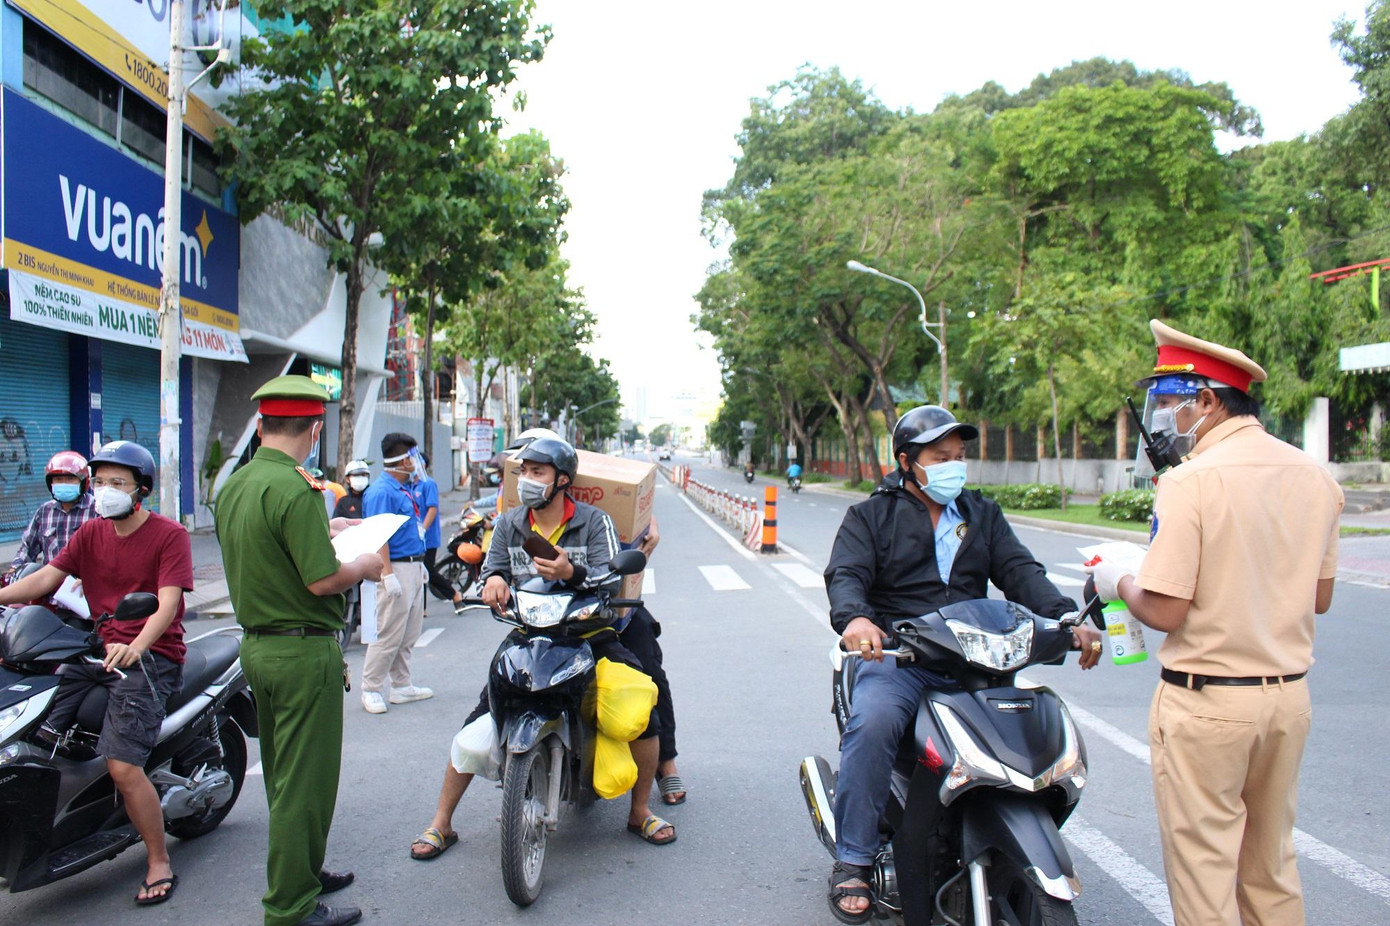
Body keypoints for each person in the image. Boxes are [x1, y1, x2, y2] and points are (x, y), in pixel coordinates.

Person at [1083, 321, 1343, 926]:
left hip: (1208, 706)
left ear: (1207, 401)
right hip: (1287, 701)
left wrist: (1117, 578)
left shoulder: (1191, 481)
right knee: (1271, 867)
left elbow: (1166, 609)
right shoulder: (1314, 476)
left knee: (1205, 874)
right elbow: (1319, 597)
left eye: (1172, 402)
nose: (1166, 416)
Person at [822, 405, 1103, 924]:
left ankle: (1005, 828)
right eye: (940, 457)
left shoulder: (982, 514)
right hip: (901, 658)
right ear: (907, 461)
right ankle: (855, 858)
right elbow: (846, 575)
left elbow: (1022, 573)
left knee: (1029, 726)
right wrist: (857, 620)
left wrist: (1067, 619)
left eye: (959, 456)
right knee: (875, 722)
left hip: (977, 657)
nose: (954, 465)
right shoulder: (870, 516)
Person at [409, 436, 675, 861]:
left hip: (590, 637)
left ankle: (639, 811)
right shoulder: (510, 523)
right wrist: (492, 580)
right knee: (480, 717)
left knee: (645, 711)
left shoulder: (593, 522)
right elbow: (492, 570)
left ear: (563, 479)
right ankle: (441, 821)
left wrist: (572, 571)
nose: (528, 480)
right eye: (524, 473)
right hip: (528, 636)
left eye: (538, 472)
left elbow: (611, 578)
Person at [216, 375, 386, 926]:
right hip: (300, 651)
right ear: (315, 430)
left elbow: (272, 548)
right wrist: (365, 564)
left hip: (258, 649)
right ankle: (290, 908)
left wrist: (328, 527)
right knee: (304, 783)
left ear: (262, 425)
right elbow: (321, 580)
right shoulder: (297, 488)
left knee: (285, 775)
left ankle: (303, 873)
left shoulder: (237, 485)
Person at [0, 440, 194, 906]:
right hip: (95, 648)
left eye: (117, 483)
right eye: (101, 481)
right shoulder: (90, 533)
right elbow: (46, 579)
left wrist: (137, 646)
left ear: (141, 490)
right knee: (32, 736)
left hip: (151, 656)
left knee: (123, 765)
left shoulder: (170, 535)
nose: (105, 490)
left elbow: (167, 604)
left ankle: (157, 858)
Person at [359, 432, 433, 714]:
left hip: (412, 565)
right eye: (413, 457)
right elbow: (379, 536)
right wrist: (387, 575)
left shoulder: (403, 488)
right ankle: (371, 687)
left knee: (409, 632)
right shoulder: (381, 492)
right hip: (396, 567)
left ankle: (401, 685)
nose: (417, 462)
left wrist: (420, 565)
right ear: (403, 459)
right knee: (389, 631)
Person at [8, 450, 96, 572]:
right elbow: (27, 549)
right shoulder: (44, 512)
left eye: (70, 479)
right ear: (51, 483)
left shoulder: (97, 510)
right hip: (50, 583)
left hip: (85, 583)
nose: (64, 484)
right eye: (59, 479)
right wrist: (14, 571)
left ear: (84, 481)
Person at [414, 451, 467, 613]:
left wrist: (423, 529)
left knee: (428, 569)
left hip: (427, 536)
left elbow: (432, 508)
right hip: (413, 537)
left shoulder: (428, 484)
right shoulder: (410, 485)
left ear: (424, 465)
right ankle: (421, 608)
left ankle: (454, 594)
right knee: (417, 570)